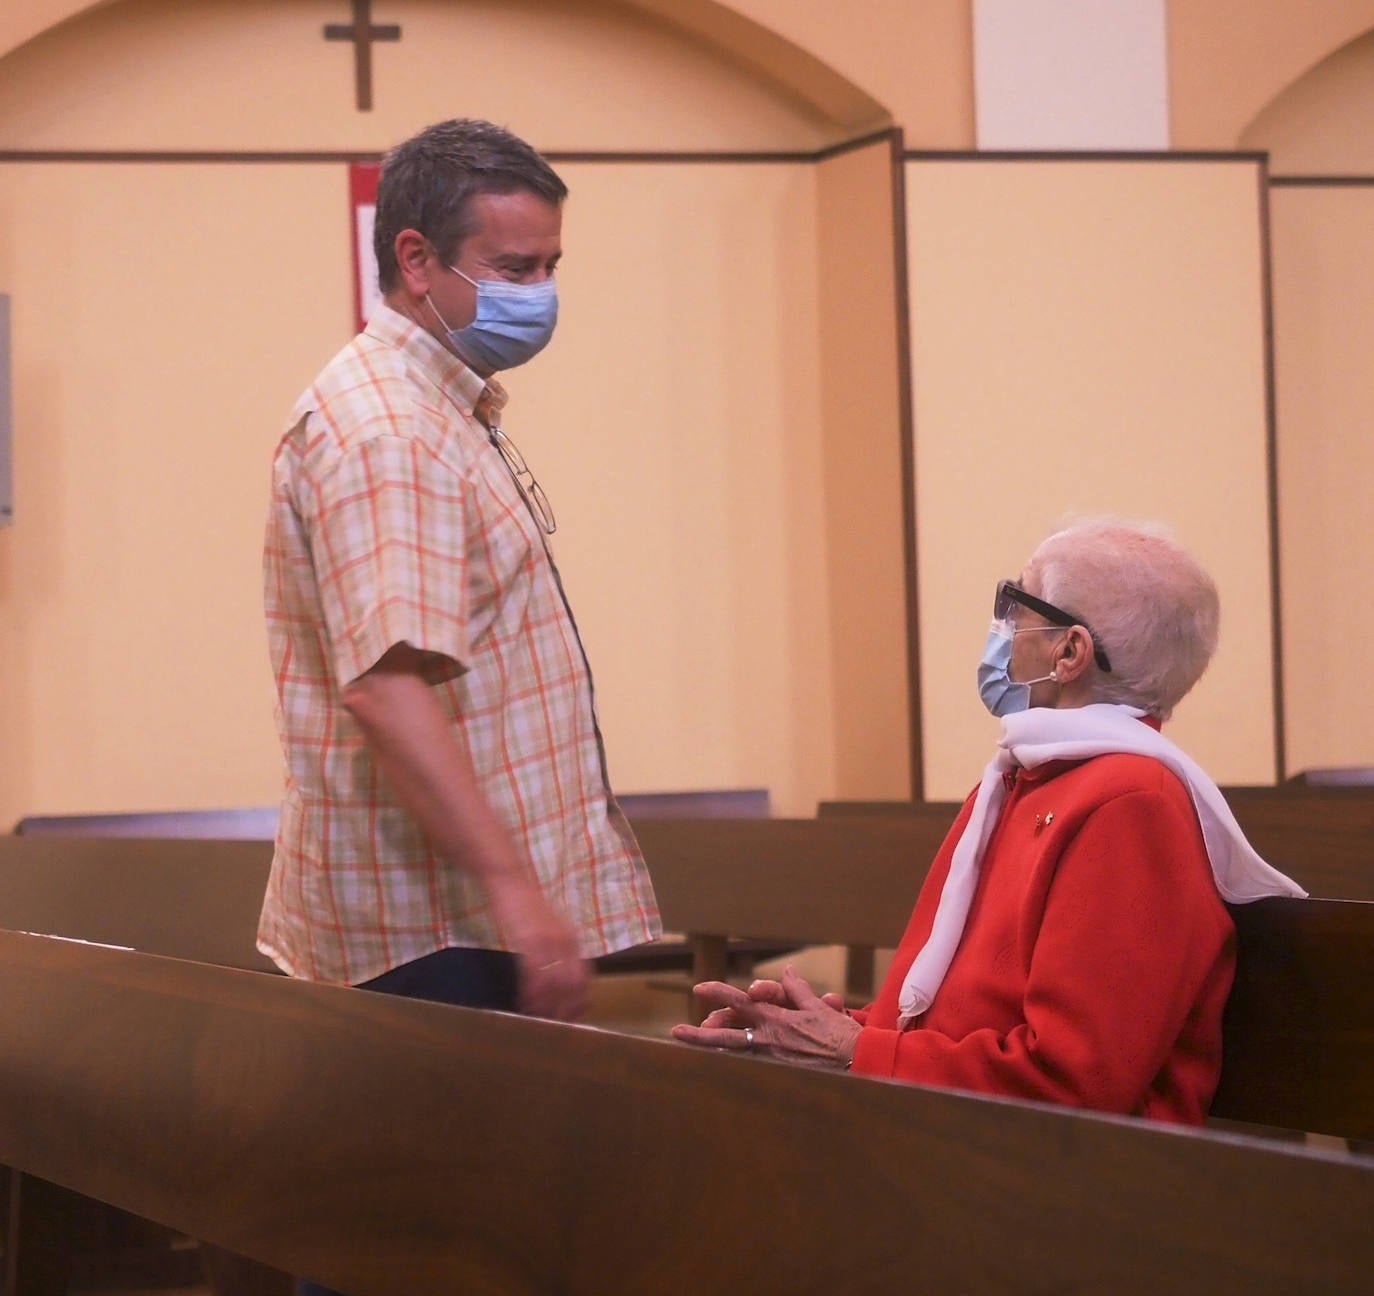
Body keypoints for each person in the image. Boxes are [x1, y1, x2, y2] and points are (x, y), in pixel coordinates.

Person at [672, 519, 1304, 1124]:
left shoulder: (1131, 806)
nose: (1001, 627)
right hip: (971, 1142)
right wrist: (836, 1027)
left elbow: (1072, 1084)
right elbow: (961, 1020)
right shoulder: (1021, 779)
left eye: (1016, 605)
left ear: (1070, 651)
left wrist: (853, 1051)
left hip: (1073, 1191)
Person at [259, 121, 659, 1061]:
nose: (541, 294)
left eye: (552, 266)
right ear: (417, 258)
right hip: (436, 925)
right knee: (445, 1203)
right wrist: (515, 891)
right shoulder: (388, 429)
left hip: (461, 916)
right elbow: (385, 688)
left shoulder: (437, 404)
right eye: (515, 267)